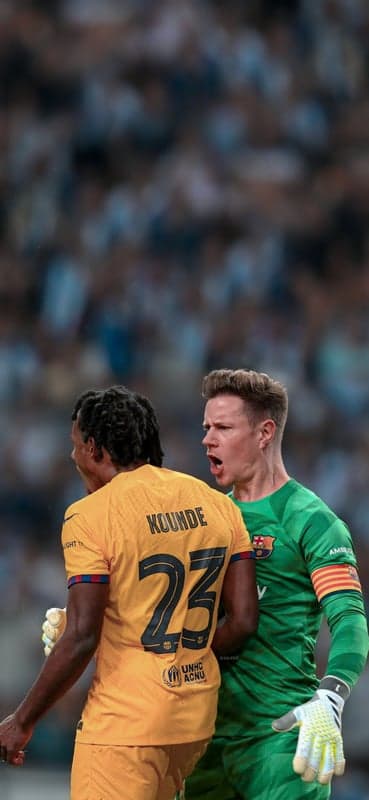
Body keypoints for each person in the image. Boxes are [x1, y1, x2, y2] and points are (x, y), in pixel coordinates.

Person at [0, 385, 259, 800]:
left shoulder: (89, 516)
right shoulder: (218, 505)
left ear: (95, 450)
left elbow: (82, 636)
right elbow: (243, 620)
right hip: (193, 720)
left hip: (124, 727)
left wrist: (22, 721)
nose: (72, 456)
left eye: (76, 445)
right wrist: (185, 659)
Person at [185, 368, 369, 800]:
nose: (207, 439)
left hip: (279, 741)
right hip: (203, 739)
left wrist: (332, 695)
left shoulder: (312, 521)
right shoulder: (208, 518)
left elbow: (349, 620)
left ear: (265, 432)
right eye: (206, 428)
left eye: (223, 428)